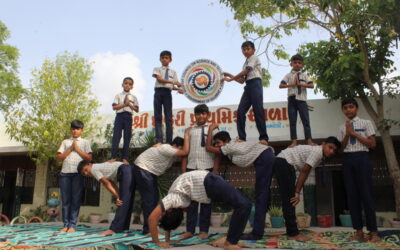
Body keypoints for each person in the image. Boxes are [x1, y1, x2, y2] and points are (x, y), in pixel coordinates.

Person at [78, 136, 189, 235]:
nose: (87, 174)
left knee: (129, 200)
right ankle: (136, 229)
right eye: (84, 174)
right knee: (139, 200)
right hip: (138, 169)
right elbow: (109, 183)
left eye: (86, 171)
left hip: (131, 170)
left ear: (89, 165)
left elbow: (108, 183)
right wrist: (117, 195)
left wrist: (118, 196)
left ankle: (120, 228)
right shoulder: (168, 148)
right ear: (175, 146)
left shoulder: (95, 169)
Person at [148, 170, 251, 250]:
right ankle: (231, 240)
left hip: (209, 182)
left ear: (169, 211)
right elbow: (168, 222)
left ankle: (230, 242)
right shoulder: (175, 200)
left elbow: (152, 218)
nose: (164, 212)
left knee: (243, 205)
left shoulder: (172, 198)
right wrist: (167, 239)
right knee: (243, 205)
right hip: (209, 185)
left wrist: (157, 242)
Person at [205, 124, 275, 240]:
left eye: (218, 142)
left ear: (226, 141)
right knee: (262, 195)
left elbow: (208, 148)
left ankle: (257, 233)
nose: (217, 146)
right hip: (264, 158)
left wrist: (210, 129)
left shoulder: (229, 146)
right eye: (215, 144)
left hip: (264, 158)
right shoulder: (233, 146)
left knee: (261, 196)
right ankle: (258, 231)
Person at [273, 137, 341, 240]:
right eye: (330, 147)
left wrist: (296, 191)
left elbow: (304, 171)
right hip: (284, 162)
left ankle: (291, 232)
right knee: (291, 199)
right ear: (323, 144)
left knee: (289, 199)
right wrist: (297, 192)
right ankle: (293, 234)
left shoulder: (318, 153)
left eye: (334, 150)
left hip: (283, 162)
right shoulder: (318, 152)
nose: (331, 151)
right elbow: (305, 171)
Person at [338, 98, 380, 242]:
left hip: (362, 158)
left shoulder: (366, 123)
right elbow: (341, 149)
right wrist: (347, 134)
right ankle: (358, 232)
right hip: (347, 160)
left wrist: (355, 133)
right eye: (345, 107)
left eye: (351, 107)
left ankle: (373, 232)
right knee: (352, 196)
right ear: (343, 111)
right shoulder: (341, 127)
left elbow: (372, 144)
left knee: (366, 195)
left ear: (356, 108)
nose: (348, 110)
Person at [181, 104, 221, 240]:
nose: (200, 116)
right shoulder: (189, 131)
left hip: (207, 167)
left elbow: (218, 152)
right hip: (192, 167)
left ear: (208, 115)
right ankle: (190, 230)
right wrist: (183, 172)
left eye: (203, 113)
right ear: (194, 116)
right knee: (191, 201)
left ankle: (204, 230)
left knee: (206, 201)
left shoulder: (214, 130)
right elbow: (185, 153)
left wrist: (215, 169)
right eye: (198, 114)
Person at [223, 41, 268, 145]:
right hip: (248, 86)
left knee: (258, 111)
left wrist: (231, 78)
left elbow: (247, 71)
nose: (246, 51)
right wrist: (229, 76)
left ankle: (264, 138)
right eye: (244, 49)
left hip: (255, 83)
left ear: (253, 50)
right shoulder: (245, 63)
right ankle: (242, 137)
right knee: (240, 111)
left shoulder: (254, 58)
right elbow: (242, 80)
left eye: (248, 49)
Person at [57, 120, 92, 233]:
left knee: (76, 200)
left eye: (77, 129)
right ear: (70, 130)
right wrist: (70, 149)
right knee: (66, 200)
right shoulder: (65, 142)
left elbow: (89, 158)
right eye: (73, 128)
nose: (75, 131)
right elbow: (60, 157)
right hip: (65, 174)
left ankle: (72, 225)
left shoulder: (86, 142)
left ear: (81, 130)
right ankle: (65, 225)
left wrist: (77, 149)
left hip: (78, 174)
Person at [279, 54, 315, 148]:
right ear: (291, 64)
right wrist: (292, 84)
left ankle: (309, 140)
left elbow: (311, 85)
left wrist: (300, 84)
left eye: (299, 63)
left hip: (302, 100)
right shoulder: (288, 75)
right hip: (292, 99)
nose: (297, 64)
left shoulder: (304, 75)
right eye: (295, 62)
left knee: (305, 121)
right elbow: (281, 85)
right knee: (292, 121)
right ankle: (294, 141)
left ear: (302, 64)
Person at [152, 50, 184, 144]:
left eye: (167, 58)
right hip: (158, 92)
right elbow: (160, 79)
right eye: (163, 58)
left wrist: (179, 89)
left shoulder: (173, 72)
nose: (164, 59)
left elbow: (172, 86)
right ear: (160, 59)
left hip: (167, 93)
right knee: (158, 116)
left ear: (170, 60)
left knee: (168, 117)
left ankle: (169, 141)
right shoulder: (157, 69)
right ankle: (159, 140)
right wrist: (173, 83)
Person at [109, 77, 139, 164]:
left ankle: (125, 158)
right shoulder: (118, 95)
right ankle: (113, 157)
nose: (127, 85)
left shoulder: (134, 97)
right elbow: (114, 107)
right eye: (126, 83)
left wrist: (129, 105)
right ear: (122, 85)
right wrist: (124, 104)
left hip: (128, 117)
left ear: (132, 87)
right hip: (119, 116)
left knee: (127, 138)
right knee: (116, 137)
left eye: (130, 84)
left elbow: (136, 109)